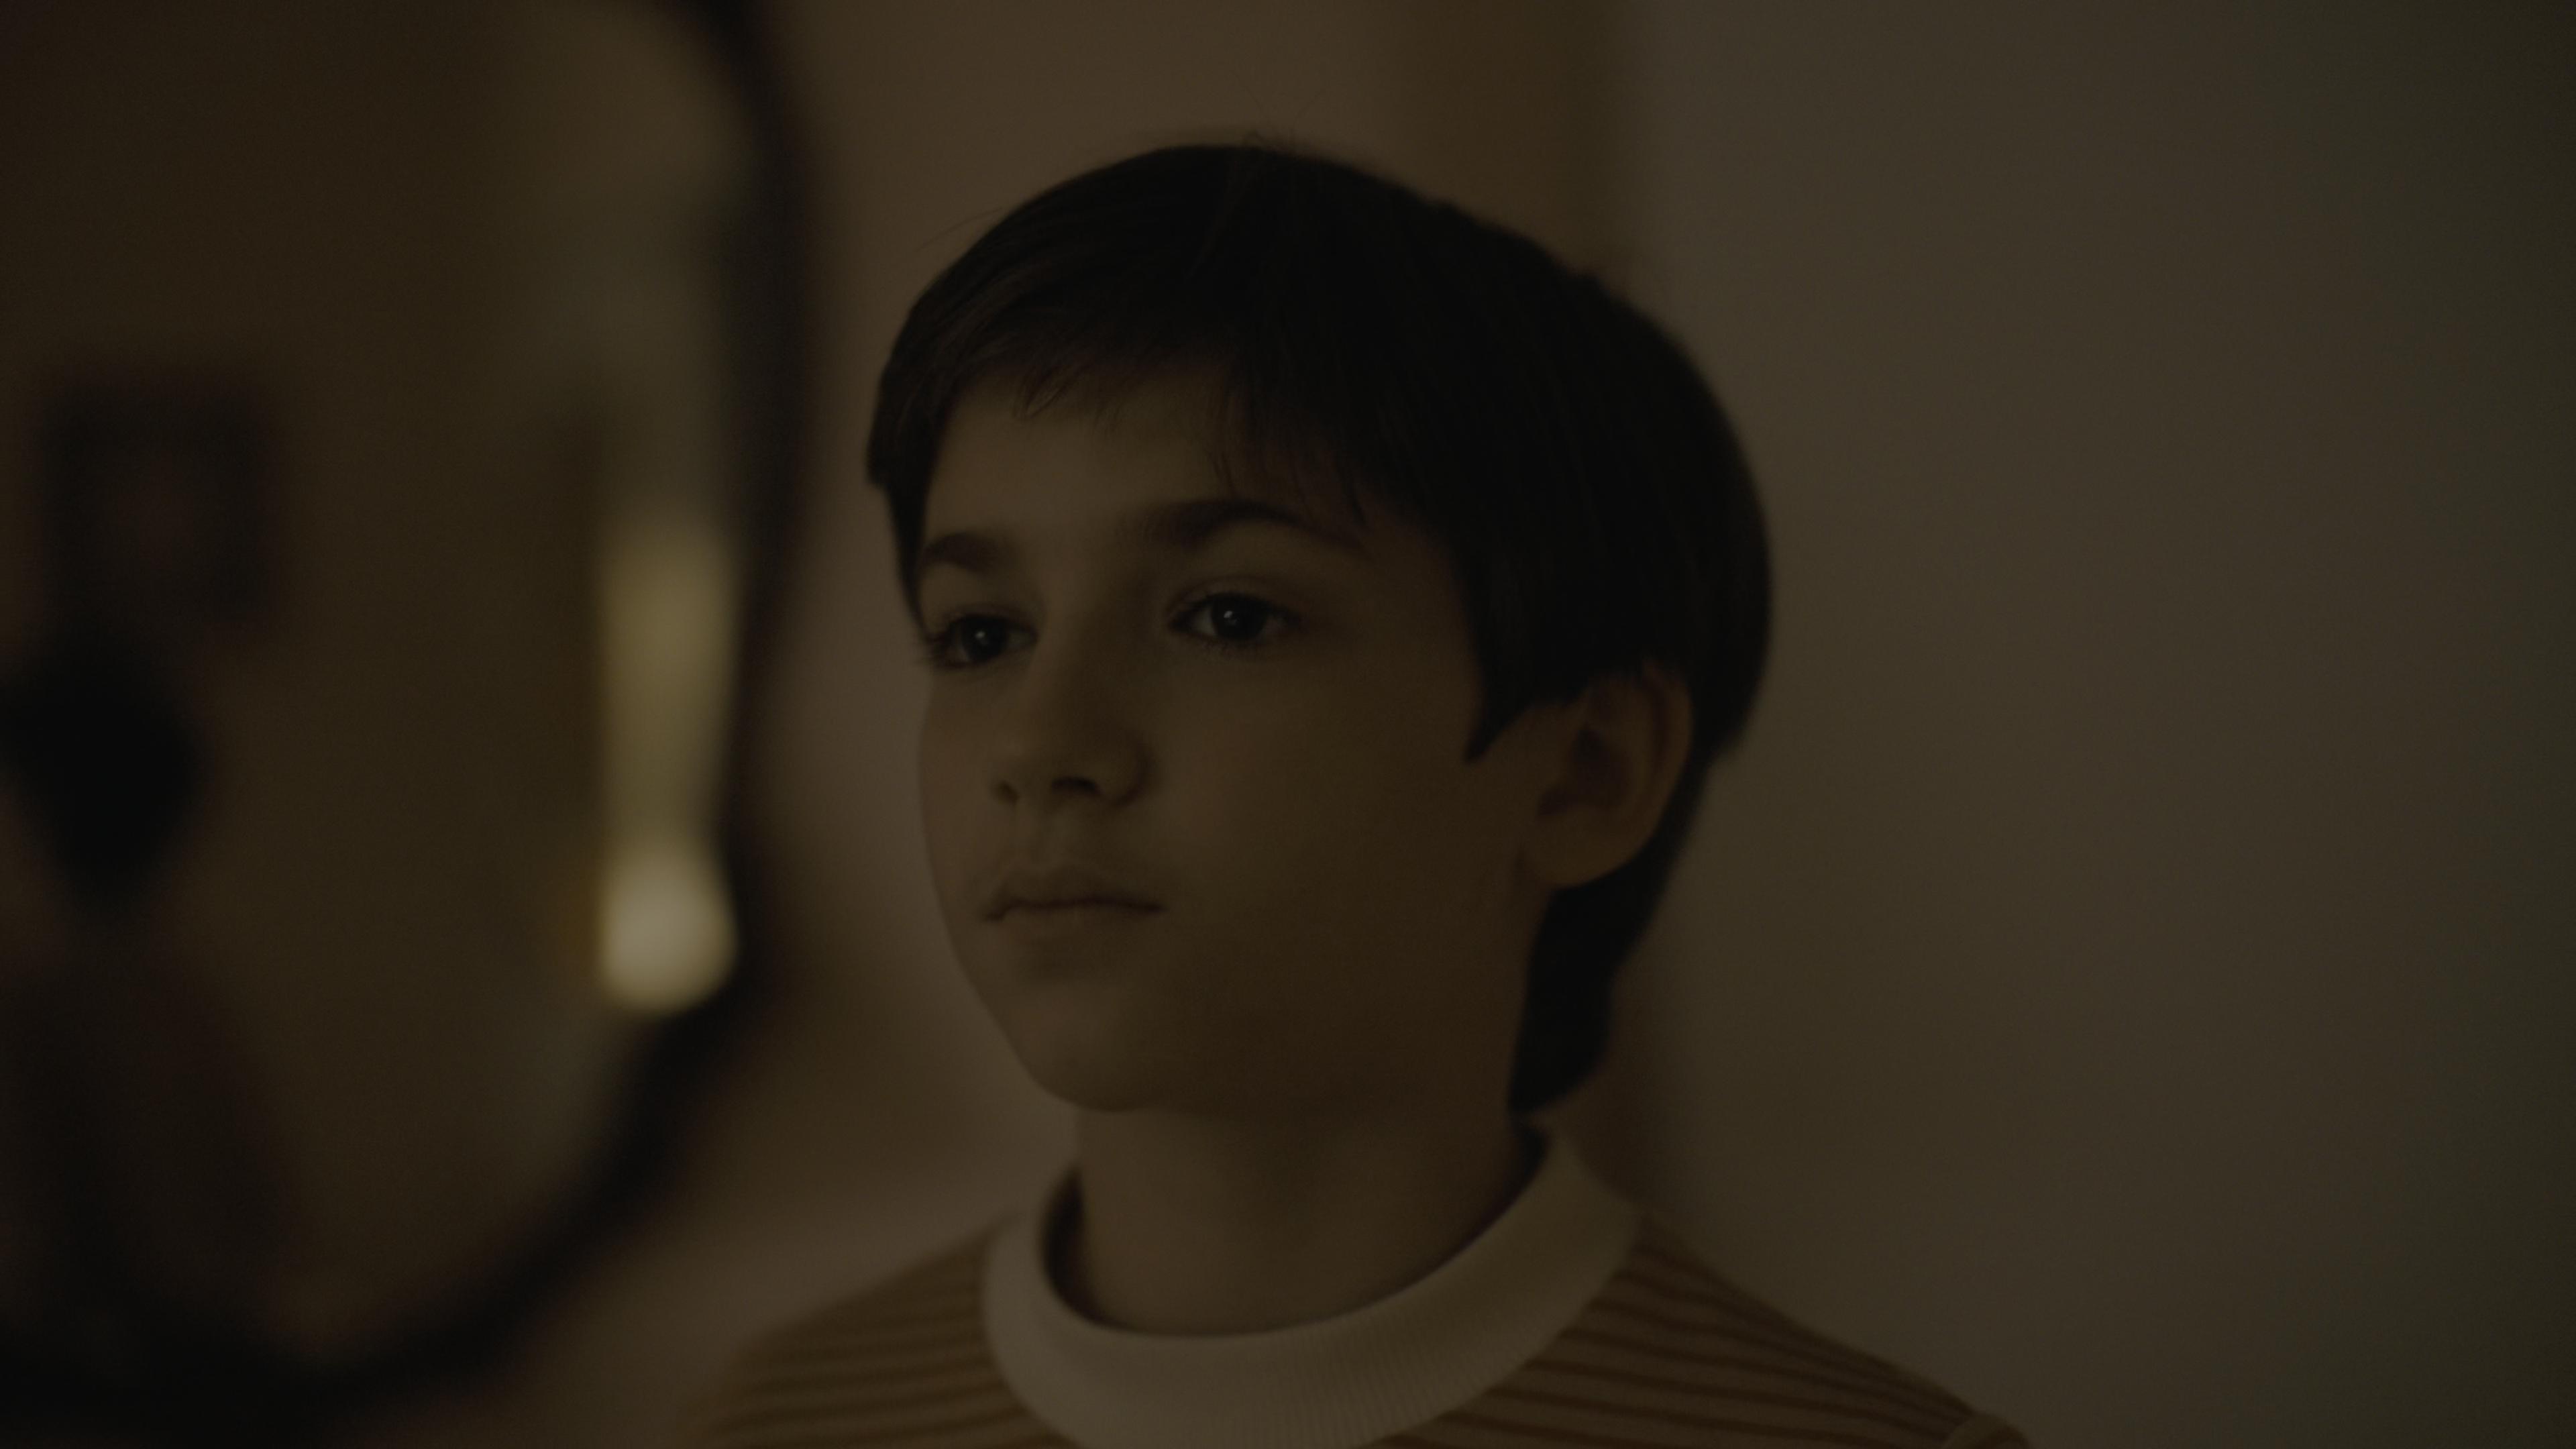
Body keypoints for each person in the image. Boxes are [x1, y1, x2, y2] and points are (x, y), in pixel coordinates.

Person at [678, 142, 2027, 1449]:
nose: (1037, 741)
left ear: (1583, 770)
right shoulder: (778, 1423)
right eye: (983, 635)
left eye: (1227, 616)